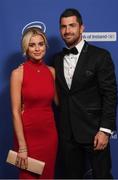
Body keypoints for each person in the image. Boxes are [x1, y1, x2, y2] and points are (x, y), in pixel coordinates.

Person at [54, 8, 118, 179]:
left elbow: (110, 95)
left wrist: (105, 130)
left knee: (102, 176)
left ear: (82, 28)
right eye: (63, 27)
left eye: (72, 26)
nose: (67, 31)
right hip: (67, 134)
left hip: (94, 132)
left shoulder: (100, 56)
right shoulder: (57, 59)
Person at [10, 26, 58, 179]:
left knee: (47, 176)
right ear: (26, 48)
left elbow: (59, 102)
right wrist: (22, 147)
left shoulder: (51, 71)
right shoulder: (18, 73)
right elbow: (15, 112)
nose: (37, 49)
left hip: (50, 135)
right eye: (32, 45)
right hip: (28, 137)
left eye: (40, 44)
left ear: (45, 46)